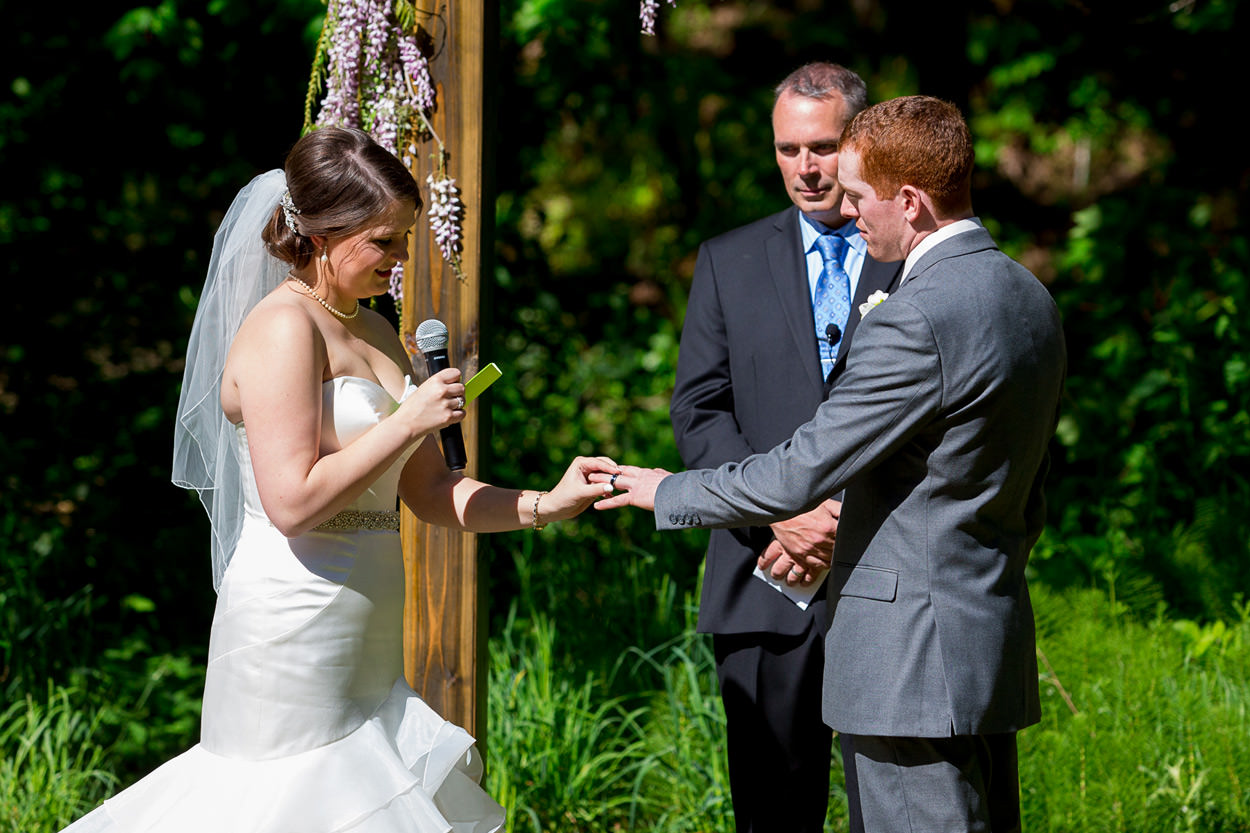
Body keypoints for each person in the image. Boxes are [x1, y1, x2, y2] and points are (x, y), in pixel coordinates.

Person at [62, 126, 613, 833]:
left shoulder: (381, 333)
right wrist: (408, 419)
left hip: (369, 630)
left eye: (406, 237)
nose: (402, 257)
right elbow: (291, 501)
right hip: (293, 623)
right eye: (384, 241)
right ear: (321, 234)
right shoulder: (282, 327)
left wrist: (546, 503)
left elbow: (427, 492)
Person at [597, 96, 1066, 832]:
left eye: (857, 195)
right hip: (984, 639)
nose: (847, 210)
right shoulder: (1027, 295)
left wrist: (665, 490)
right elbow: (1029, 486)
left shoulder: (918, 312)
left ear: (909, 202)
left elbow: (797, 473)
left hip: (907, 655)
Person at [669, 61, 901, 833]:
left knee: (895, 805)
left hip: (882, 573)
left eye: (824, 147)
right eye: (787, 149)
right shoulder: (728, 260)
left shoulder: (908, 256)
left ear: (861, 143)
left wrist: (840, 520)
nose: (805, 169)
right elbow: (700, 413)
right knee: (773, 810)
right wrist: (780, 517)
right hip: (762, 579)